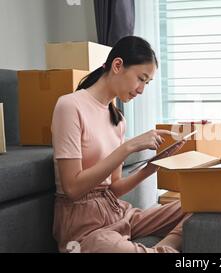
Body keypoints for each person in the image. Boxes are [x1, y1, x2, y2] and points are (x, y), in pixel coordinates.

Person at [51, 36, 190, 253]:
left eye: (147, 83)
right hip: (83, 226)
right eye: (141, 79)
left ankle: (164, 246)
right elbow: (72, 188)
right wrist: (128, 147)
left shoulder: (118, 120)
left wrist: (151, 168)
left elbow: (114, 187)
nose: (142, 89)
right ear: (117, 65)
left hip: (117, 211)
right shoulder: (69, 106)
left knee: (196, 205)